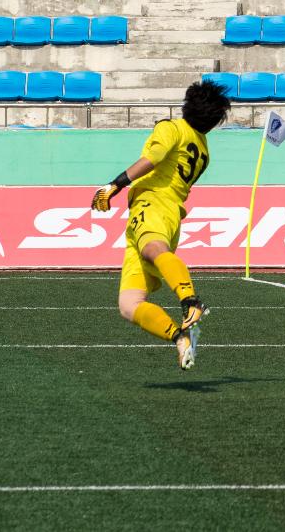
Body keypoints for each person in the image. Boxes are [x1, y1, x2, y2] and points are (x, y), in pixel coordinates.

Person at [92, 79, 232, 370]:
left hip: (154, 203)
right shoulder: (203, 149)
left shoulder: (171, 128)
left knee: (152, 248)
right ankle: (180, 337)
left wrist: (114, 185)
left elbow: (152, 158)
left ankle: (190, 300)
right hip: (165, 211)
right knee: (129, 305)